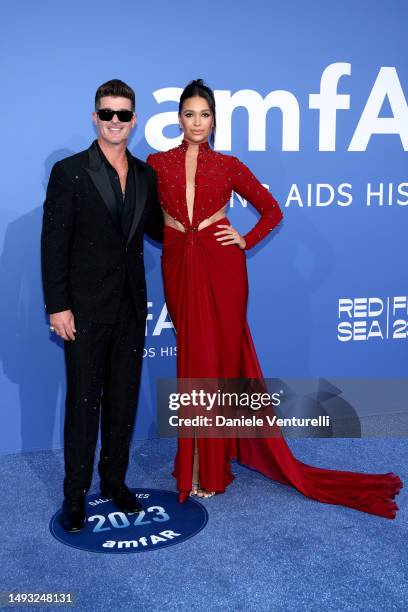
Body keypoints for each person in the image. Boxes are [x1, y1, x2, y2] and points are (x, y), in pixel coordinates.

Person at [147, 79, 402, 518]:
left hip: (222, 268)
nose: (197, 123)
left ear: (214, 119)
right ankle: (202, 457)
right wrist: (171, 238)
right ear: (178, 118)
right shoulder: (156, 163)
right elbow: (147, 217)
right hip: (179, 265)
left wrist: (243, 240)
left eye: (204, 115)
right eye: (189, 114)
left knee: (219, 364)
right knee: (193, 360)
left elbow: (272, 210)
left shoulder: (228, 165)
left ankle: (206, 466)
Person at [41, 79, 163, 532]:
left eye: (124, 114)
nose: (116, 122)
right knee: (83, 404)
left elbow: (160, 231)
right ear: (95, 117)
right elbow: (54, 244)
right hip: (85, 309)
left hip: (131, 307)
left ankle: (113, 482)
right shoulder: (69, 171)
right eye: (107, 113)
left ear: (135, 120)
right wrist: (58, 306)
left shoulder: (146, 174)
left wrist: (201, 228)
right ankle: (75, 495)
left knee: (123, 402)